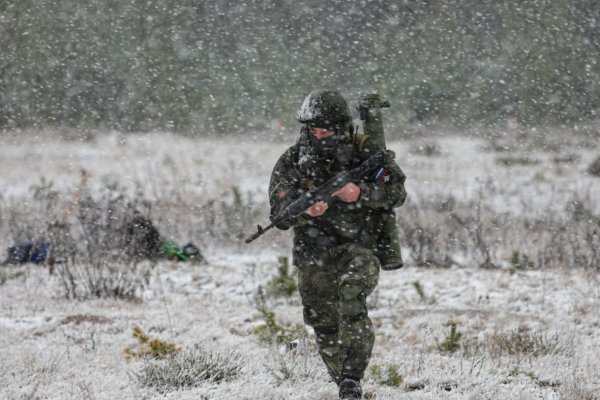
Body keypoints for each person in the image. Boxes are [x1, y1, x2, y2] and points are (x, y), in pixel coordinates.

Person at [268, 90, 407, 399]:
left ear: (340, 126)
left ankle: (353, 377)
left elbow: (397, 191)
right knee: (322, 319)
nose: (318, 135)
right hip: (313, 252)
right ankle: (343, 383)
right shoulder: (293, 160)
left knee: (351, 295)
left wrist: (361, 193)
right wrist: (304, 212)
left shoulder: (364, 152)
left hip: (359, 245)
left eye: (325, 129)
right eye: (313, 129)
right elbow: (278, 214)